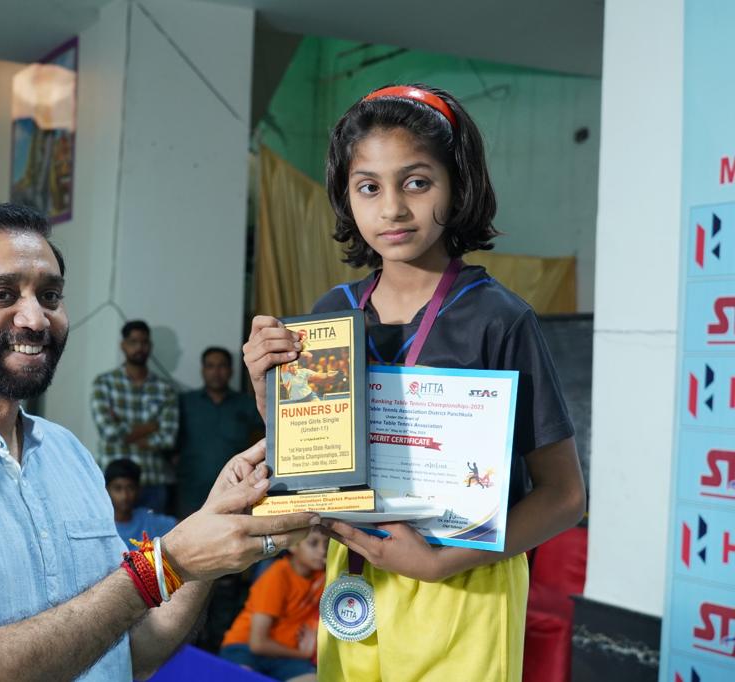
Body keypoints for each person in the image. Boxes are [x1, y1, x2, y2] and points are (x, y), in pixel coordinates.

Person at [0, 203, 319, 682]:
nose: (36, 318)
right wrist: (166, 564)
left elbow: (127, 652)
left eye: (50, 296)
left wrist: (206, 544)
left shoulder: (67, 454)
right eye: (2, 295)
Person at [242, 85, 586, 681]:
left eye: (417, 182)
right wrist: (266, 393)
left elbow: (564, 496)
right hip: (355, 579)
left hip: (466, 583)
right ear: (346, 196)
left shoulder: (499, 318)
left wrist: (439, 563)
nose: (393, 209)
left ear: (458, 185)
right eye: (369, 187)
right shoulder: (332, 313)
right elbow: (314, 465)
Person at [218, 527, 328, 682]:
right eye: (313, 543)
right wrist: (303, 654)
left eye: (327, 545)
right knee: (243, 676)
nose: (322, 551)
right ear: (293, 545)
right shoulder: (277, 575)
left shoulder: (324, 578)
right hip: (244, 648)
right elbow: (258, 643)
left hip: (284, 657)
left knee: (314, 679)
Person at [91, 320, 178, 513]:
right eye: (133, 342)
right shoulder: (105, 383)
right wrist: (150, 427)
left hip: (152, 481)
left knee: (153, 533)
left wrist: (124, 432)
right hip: (114, 483)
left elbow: (167, 439)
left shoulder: (165, 389)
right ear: (123, 345)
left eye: (144, 342)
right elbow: (108, 432)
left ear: (150, 346)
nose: (139, 347)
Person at [176, 347, 263, 518]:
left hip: (234, 488)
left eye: (222, 366)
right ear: (203, 370)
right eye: (210, 366)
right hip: (191, 490)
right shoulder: (186, 402)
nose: (216, 372)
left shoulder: (245, 404)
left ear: (231, 370)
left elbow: (270, 432)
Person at [105, 458, 177, 544]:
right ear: (106, 491)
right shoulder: (102, 527)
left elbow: (182, 527)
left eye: (130, 488)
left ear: (139, 490)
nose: (124, 496)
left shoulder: (147, 519)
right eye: (118, 488)